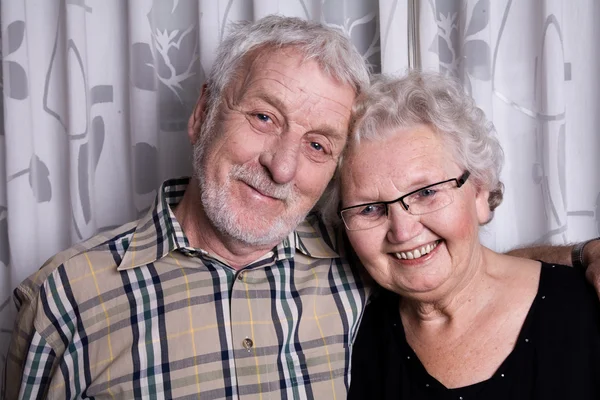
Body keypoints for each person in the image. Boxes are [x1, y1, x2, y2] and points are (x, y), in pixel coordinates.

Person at [4, 15, 600, 400]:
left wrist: (580, 258)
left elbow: (452, 270)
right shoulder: (64, 304)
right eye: (264, 117)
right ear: (203, 112)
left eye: (318, 144)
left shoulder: (354, 264)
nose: (281, 167)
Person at [324, 71, 600, 399]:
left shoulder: (587, 308)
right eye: (369, 208)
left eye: (426, 192)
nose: (402, 231)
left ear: (481, 192)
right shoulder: (352, 338)